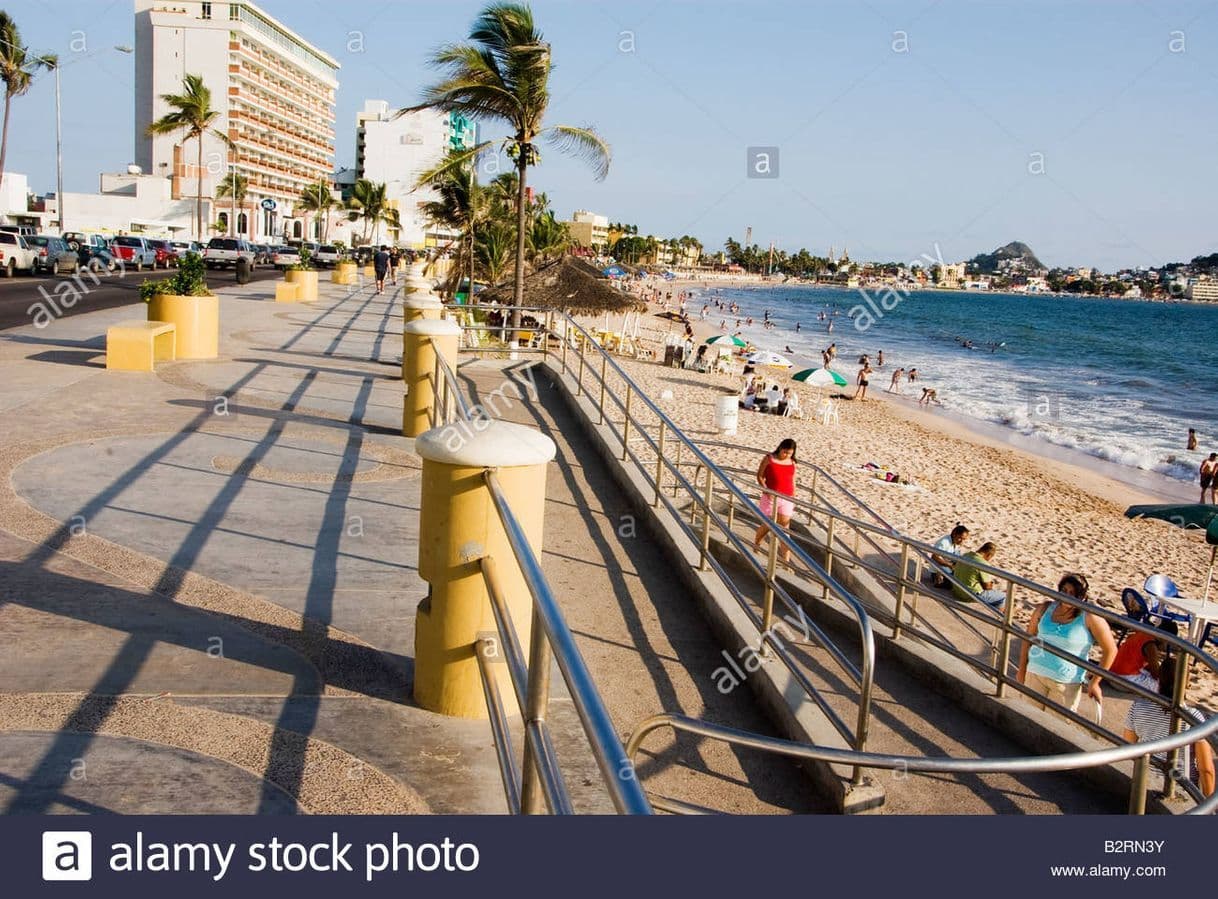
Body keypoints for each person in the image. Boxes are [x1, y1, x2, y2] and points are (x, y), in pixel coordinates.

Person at [1017, 573, 1117, 714]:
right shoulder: (1044, 608)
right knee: (1027, 719)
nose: (1068, 596)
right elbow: (1028, 638)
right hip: (1035, 674)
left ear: (1082, 597)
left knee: (1056, 729)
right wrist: (1022, 670)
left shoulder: (1090, 617)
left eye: (1073, 594)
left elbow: (1111, 650)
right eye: (1064, 591)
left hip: (1066, 683)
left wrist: (1095, 682)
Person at [1123, 657, 1215, 797]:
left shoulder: (1138, 706)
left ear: (1158, 680)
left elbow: (1128, 748)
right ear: (1187, 684)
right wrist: (1208, 806)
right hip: (1181, 787)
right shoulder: (1193, 717)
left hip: (1145, 780)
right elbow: (1206, 769)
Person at [753, 439, 798, 566]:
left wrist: (794, 495)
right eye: (785, 452)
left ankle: (786, 561)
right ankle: (756, 544)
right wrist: (766, 491)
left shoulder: (792, 462)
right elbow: (760, 476)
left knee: (785, 529)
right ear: (780, 448)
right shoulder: (769, 458)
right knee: (768, 524)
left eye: (789, 453)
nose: (786, 455)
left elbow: (793, 480)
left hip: (787, 497)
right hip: (771, 496)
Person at [950, 542, 1006, 607]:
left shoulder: (965, 555)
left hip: (957, 591)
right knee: (1003, 597)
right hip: (969, 595)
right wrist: (990, 584)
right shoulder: (983, 563)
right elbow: (987, 587)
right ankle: (999, 616)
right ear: (989, 555)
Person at [930, 524, 970, 588]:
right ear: (954, 534)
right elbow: (934, 557)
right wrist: (950, 565)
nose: (962, 541)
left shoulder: (955, 542)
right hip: (939, 571)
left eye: (964, 539)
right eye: (960, 538)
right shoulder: (944, 542)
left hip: (950, 569)